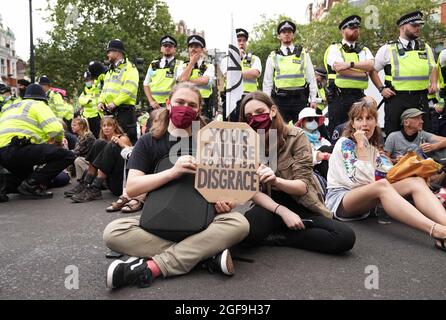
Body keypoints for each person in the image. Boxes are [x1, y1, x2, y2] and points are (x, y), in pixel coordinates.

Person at [103, 83, 249, 289]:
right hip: (160, 222)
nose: (185, 108)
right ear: (168, 103)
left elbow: (228, 186)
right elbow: (133, 188)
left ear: (199, 109)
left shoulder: (212, 139)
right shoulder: (148, 141)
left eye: (192, 104)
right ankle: (205, 255)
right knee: (113, 232)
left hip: (204, 219)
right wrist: (172, 172)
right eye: (180, 102)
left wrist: (227, 201)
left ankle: (154, 266)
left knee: (239, 223)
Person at [237, 91, 355, 254]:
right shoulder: (246, 142)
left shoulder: (296, 136)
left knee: (344, 237)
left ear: (272, 111)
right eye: (249, 116)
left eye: (259, 112)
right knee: (244, 234)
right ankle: (275, 228)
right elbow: (252, 191)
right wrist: (282, 211)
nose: (254, 118)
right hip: (268, 205)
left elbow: (302, 187)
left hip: (300, 201)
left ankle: (280, 236)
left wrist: (276, 181)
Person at [325, 97, 446, 252]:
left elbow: (388, 173)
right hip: (341, 200)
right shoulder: (345, 143)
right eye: (359, 119)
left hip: (365, 198)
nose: (364, 123)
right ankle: (435, 229)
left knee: (415, 182)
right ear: (353, 124)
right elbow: (361, 180)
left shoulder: (373, 148)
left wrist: (417, 169)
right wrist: (361, 145)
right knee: (381, 186)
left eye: (369, 118)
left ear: (376, 122)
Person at [0, 84, 75, 199]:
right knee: (67, 156)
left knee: (25, 174)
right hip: (17, 149)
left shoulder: (11, 106)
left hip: (3, 151)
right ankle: (31, 185)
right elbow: (56, 128)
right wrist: (59, 142)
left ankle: (6, 187)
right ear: (43, 98)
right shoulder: (38, 104)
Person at [372, 11, 437, 136]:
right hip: (397, 98)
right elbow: (372, 70)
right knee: (394, 134)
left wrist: (434, 83)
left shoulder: (425, 47)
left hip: (420, 98)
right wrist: (381, 89)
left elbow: (433, 66)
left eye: (419, 26)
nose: (417, 28)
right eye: (414, 25)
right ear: (402, 27)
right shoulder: (388, 48)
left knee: (424, 135)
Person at [324, 15, 375, 134]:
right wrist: (363, 74)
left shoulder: (364, 50)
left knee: (359, 130)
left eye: (357, 27)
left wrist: (350, 64)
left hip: (358, 96)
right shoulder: (335, 48)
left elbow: (371, 65)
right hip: (339, 96)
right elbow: (339, 68)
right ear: (343, 30)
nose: (355, 30)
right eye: (351, 27)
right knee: (338, 131)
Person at [263, 20, 317, 123]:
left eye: (289, 32)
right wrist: (267, 102)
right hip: (280, 100)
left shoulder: (303, 53)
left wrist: (313, 99)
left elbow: (311, 77)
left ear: (293, 35)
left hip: (300, 99)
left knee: (302, 130)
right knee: (278, 129)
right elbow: (267, 82)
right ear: (279, 36)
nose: (286, 34)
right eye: (283, 32)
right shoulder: (273, 56)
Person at [67, 117, 132, 202]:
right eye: (104, 125)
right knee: (99, 142)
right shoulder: (103, 140)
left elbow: (133, 156)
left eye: (109, 125)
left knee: (111, 145)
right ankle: (86, 184)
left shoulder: (122, 138)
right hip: (109, 181)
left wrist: (122, 144)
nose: (106, 128)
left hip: (122, 182)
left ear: (114, 126)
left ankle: (95, 188)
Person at [99, 39, 139, 144]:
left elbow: (130, 89)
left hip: (124, 112)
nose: (107, 54)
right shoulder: (109, 70)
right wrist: (100, 101)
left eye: (109, 51)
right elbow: (104, 89)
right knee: (111, 142)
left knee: (126, 141)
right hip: (110, 111)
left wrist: (115, 103)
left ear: (117, 52)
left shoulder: (130, 68)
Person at [220, 28, 262, 121]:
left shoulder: (255, 59)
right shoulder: (226, 60)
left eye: (244, 40)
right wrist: (237, 57)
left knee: (250, 128)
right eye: (239, 40)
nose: (242, 43)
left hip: (249, 98)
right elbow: (228, 75)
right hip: (231, 99)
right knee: (230, 129)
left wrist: (235, 73)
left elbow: (255, 73)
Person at [177, 35, 215, 120]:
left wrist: (186, 80)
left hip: (203, 103)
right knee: (187, 128)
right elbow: (181, 80)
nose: (193, 49)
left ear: (202, 49)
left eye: (196, 46)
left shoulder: (209, 65)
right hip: (186, 102)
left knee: (198, 129)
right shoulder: (181, 65)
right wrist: (191, 63)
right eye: (191, 46)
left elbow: (205, 81)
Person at [144, 35, 183, 110]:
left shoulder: (179, 64)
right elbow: (146, 84)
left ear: (175, 49)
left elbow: (180, 80)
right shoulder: (153, 64)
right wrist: (151, 101)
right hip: (154, 105)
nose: (167, 48)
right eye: (165, 46)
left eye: (170, 46)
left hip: (171, 104)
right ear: (161, 48)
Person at [296, 107, 332, 179]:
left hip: (325, 168)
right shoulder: (297, 139)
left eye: (315, 119)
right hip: (308, 170)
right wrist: (321, 155)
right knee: (324, 148)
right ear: (302, 122)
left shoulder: (320, 138)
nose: (314, 122)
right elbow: (301, 159)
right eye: (310, 119)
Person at [79, 62, 106, 138]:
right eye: (85, 80)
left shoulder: (97, 87)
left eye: (89, 79)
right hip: (87, 117)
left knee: (98, 136)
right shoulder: (85, 90)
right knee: (88, 136)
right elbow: (80, 99)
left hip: (96, 116)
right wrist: (87, 100)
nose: (87, 81)